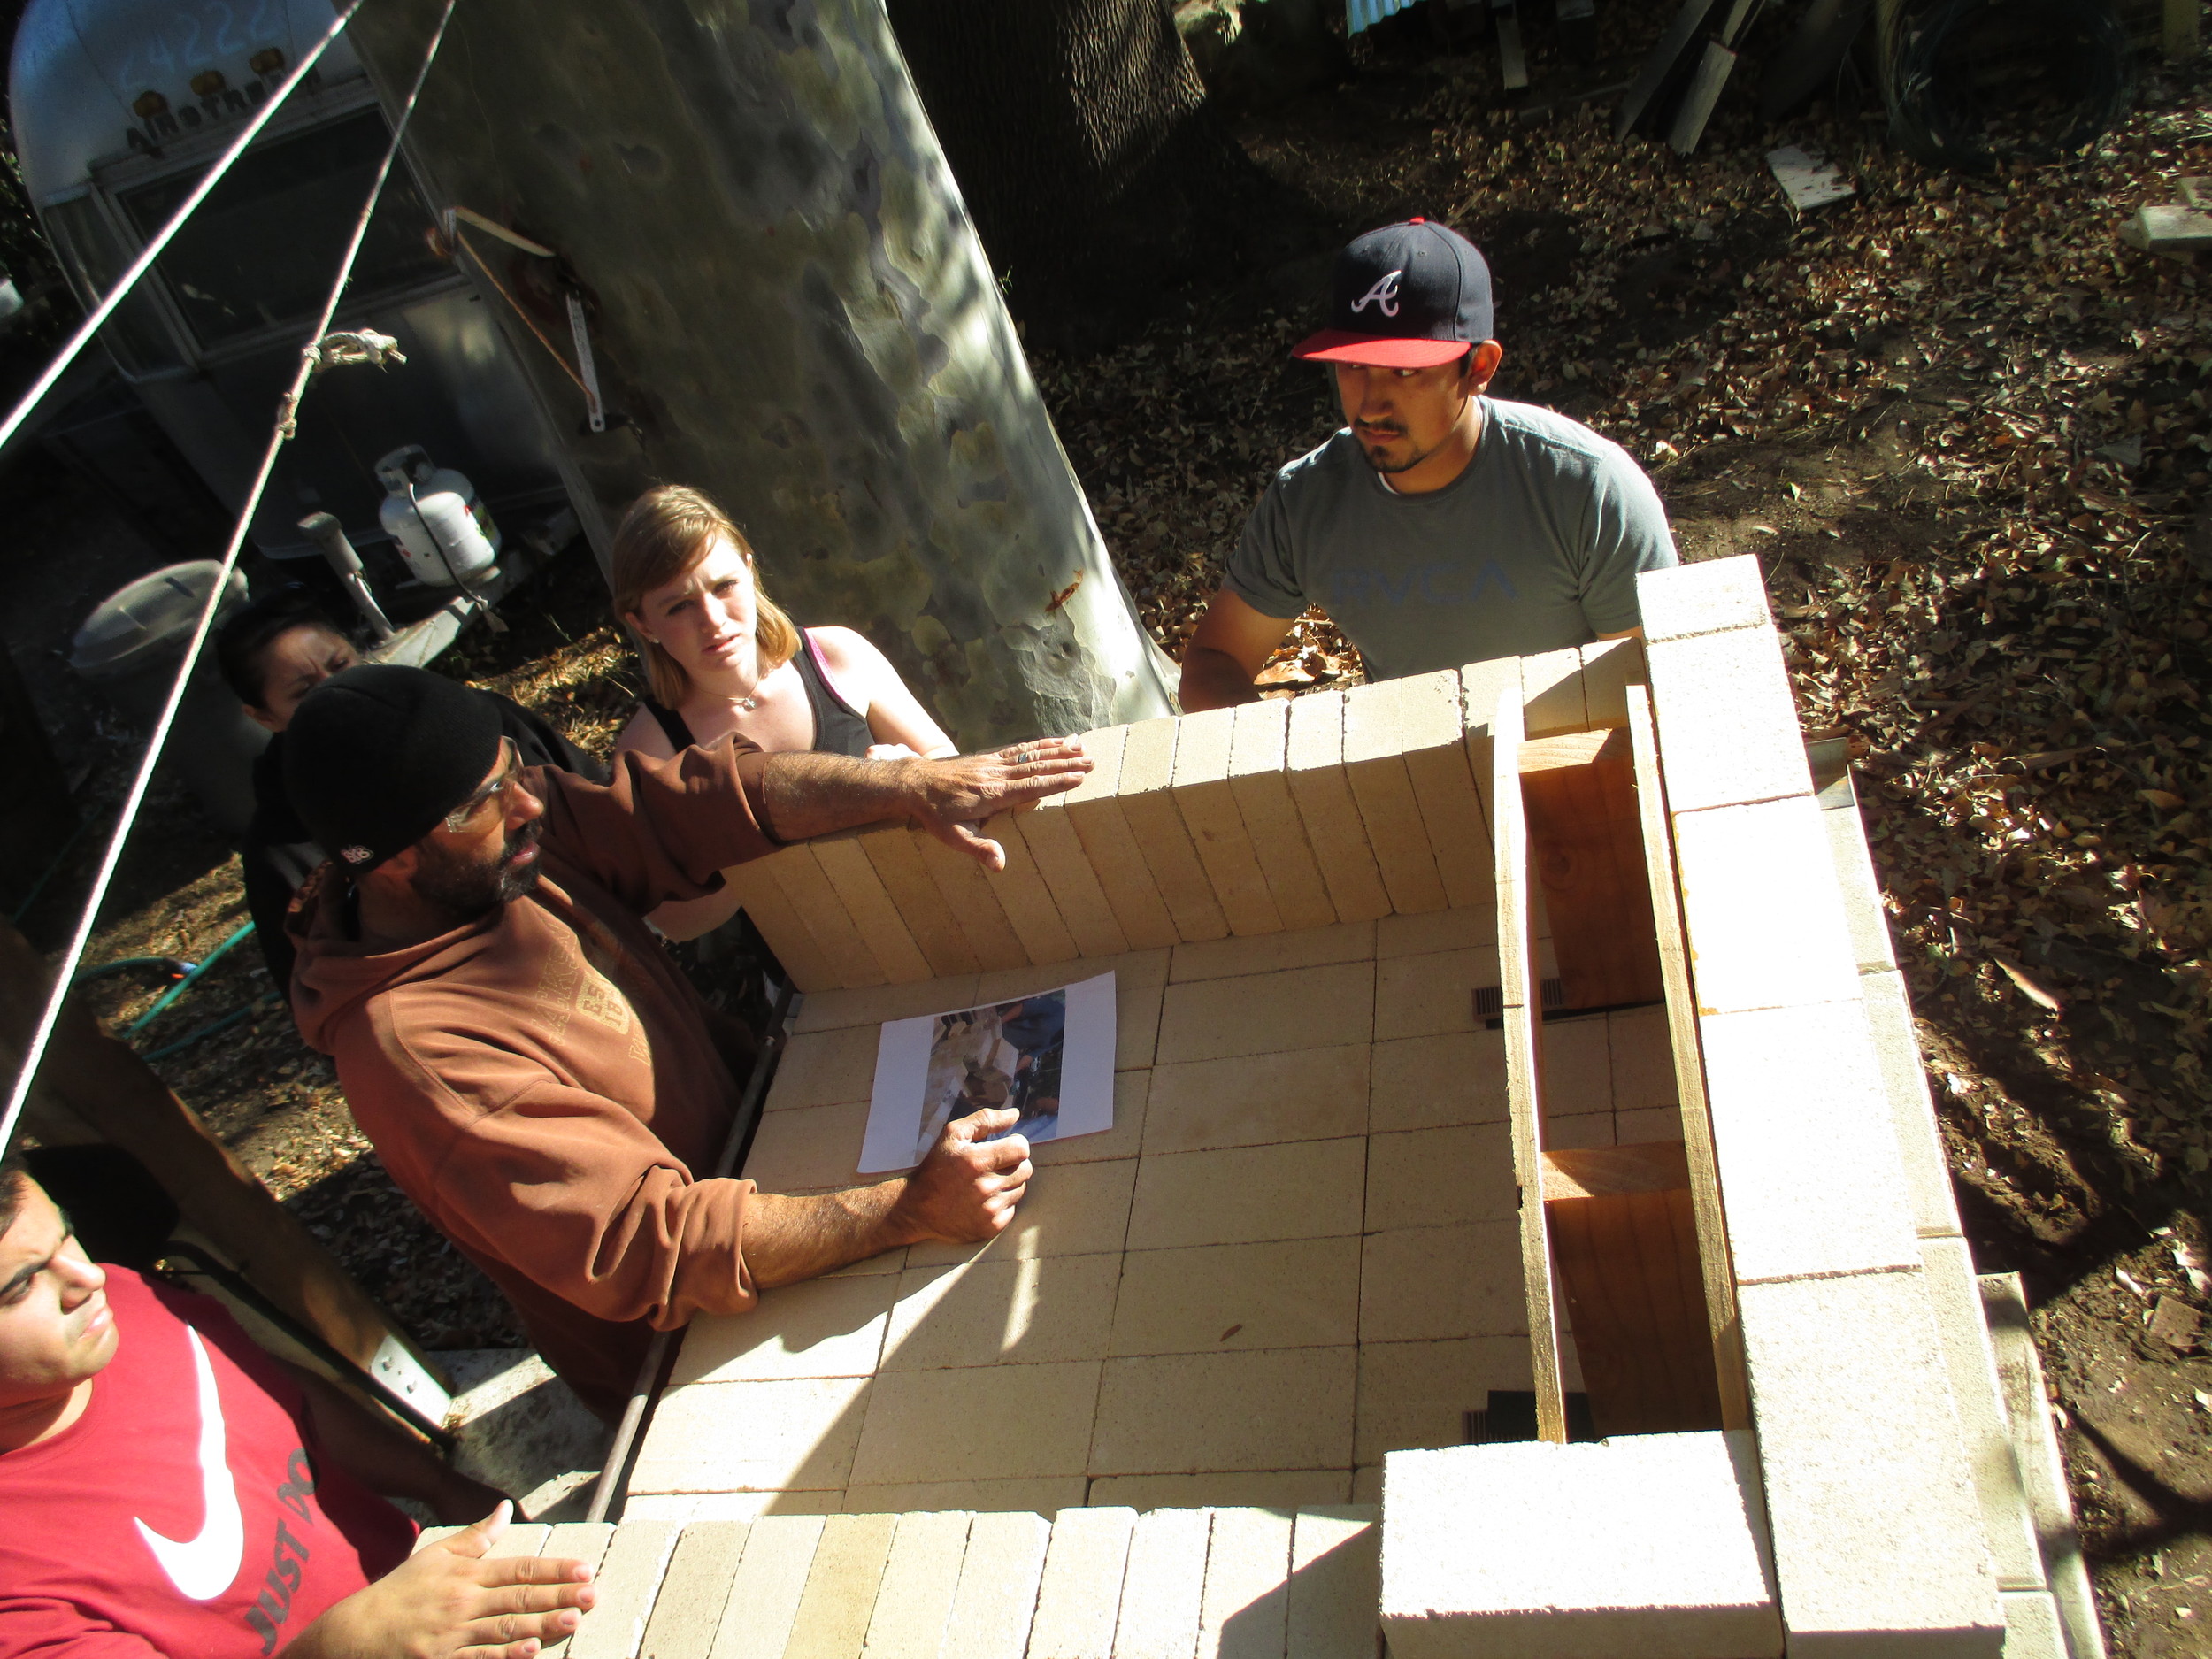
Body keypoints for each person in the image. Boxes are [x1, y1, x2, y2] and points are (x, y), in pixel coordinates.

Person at [281, 664, 1089, 1417]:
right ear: (386, 863)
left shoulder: (510, 838)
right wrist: (901, 1212)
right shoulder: (415, 1054)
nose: (526, 804)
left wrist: (904, 785)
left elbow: (700, 802)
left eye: (511, 769)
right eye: (479, 804)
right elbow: (648, 1241)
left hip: (764, 1167)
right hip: (690, 1356)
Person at [0, 1159, 596, 1659]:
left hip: (441, 1599)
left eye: (67, 1231)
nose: (87, 1276)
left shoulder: (127, 1298)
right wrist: (339, 1644)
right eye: (21, 1284)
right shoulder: (13, 1595)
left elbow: (284, 1395)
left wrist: (440, 1486)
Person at [1178, 218, 1679, 711]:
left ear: (1478, 367)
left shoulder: (1587, 489)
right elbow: (1213, 663)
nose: (1372, 405)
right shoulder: (1305, 501)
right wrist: (1283, 768)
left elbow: (1654, 684)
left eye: (1404, 370)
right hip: (1416, 775)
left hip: (1574, 766)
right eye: (1353, 366)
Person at [608, 486, 958, 940]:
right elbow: (670, 921)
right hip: (810, 960)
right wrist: (749, 850)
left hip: (933, 906)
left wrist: (909, 774)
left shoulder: (836, 655)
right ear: (642, 624)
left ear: (750, 573)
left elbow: (947, 757)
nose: (712, 620)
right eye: (679, 606)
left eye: (724, 586)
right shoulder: (648, 754)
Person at [216, 586, 606, 991]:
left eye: (342, 664)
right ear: (263, 716)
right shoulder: (285, 851)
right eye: (305, 692)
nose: (338, 690)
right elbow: (321, 984)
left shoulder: (475, 726)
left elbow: (596, 801)